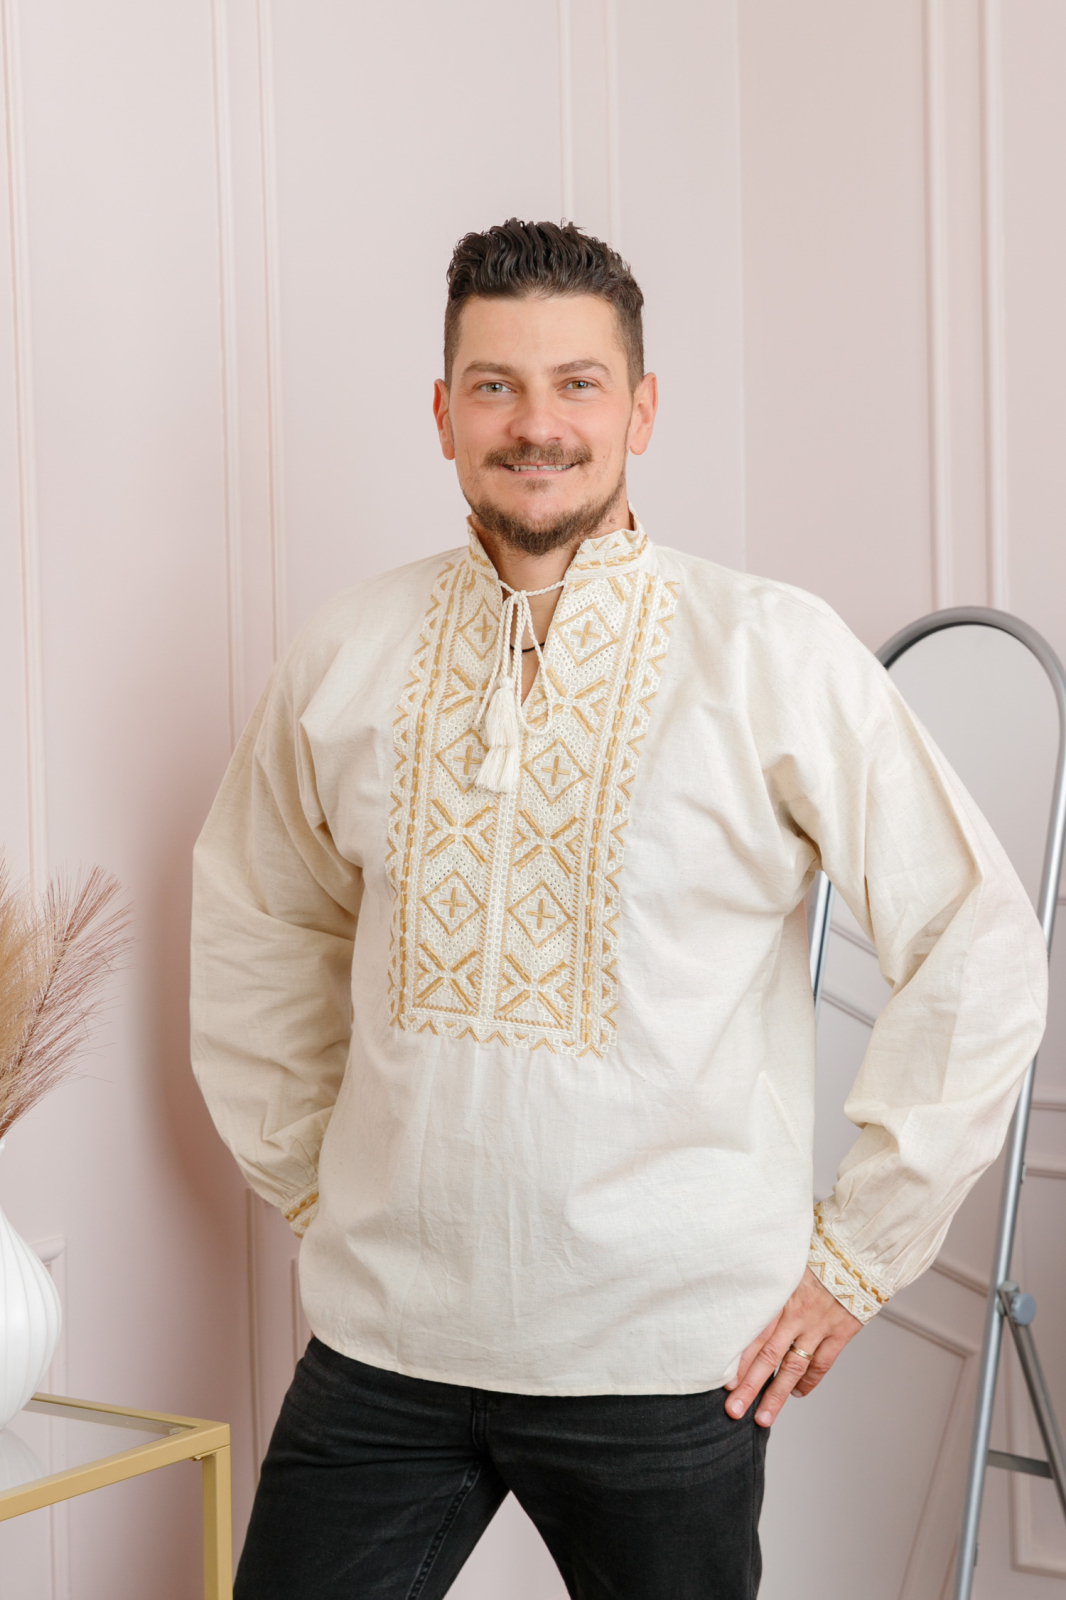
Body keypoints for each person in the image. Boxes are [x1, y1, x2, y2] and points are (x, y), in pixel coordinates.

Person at [190, 219, 1047, 1599]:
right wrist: (307, 1177)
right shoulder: (345, 651)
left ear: (641, 409)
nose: (537, 424)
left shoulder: (768, 651)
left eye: (577, 384)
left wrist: (856, 1257)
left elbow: (976, 941)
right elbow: (257, 921)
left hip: (666, 1361)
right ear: (443, 413)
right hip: (386, 1340)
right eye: (496, 385)